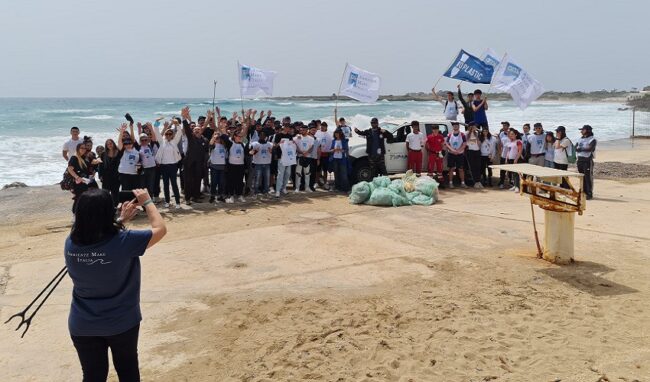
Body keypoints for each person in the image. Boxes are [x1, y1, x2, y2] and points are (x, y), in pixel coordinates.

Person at [65, 188, 166, 382]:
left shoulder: (71, 243)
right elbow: (160, 229)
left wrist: (120, 221)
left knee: (93, 376)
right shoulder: (125, 241)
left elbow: (99, 238)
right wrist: (147, 201)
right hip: (121, 322)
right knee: (128, 372)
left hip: (83, 324)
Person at [181, 107, 209, 204]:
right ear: (193, 131)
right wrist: (184, 118)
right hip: (189, 164)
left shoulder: (204, 140)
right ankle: (188, 199)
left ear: (201, 131)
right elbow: (187, 129)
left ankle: (196, 196)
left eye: (199, 129)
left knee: (197, 181)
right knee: (189, 182)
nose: (197, 130)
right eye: (195, 129)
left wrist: (209, 118)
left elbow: (207, 150)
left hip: (199, 164)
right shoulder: (191, 138)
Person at [153, 120, 182, 209]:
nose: (168, 135)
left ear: (172, 135)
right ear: (165, 135)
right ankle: (167, 201)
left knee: (174, 184)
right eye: (167, 134)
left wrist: (177, 124)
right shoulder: (162, 142)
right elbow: (156, 131)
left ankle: (177, 202)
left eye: (170, 134)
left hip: (173, 166)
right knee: (165, 184)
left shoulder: (175, 141)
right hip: (164, 166)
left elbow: (179, 132)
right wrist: (157, 122)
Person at [67, 143, 96, 213]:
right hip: (78, 183)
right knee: (78, 199)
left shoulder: (84, 157)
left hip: (85, 182)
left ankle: (83, 215)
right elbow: (70, 169)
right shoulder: (74, 157)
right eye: (81, 148)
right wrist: (77, 177)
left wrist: (92, 174)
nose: (83, 149)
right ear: (78, 149)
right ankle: (75, 216)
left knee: (85, 199)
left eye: (84, 148)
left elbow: (87, 168)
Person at [116, 124, 142, 192]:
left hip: (135, 174)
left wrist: (131, 128)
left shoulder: (136, 149)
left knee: (135, 192)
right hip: (124, 174)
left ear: (132, 143)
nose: (128, 145)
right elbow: (119, 142)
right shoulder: (122, 150)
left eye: (129, 143)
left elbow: (132, 139)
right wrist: (121, 132)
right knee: (125, 192)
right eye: (126, 144)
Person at [576, 125, 597, 200]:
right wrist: (582, 149)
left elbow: (590, 149)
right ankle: (583, 192)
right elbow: (576, 147)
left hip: (587, 159)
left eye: (583, 130)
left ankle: (589, 193)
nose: (581, 131)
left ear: (587, 130)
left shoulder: (592, 139)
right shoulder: (580, 139)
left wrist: (581, 149)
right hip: (580, 159)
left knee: (588, 177)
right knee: (582, 176)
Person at [445, 121, 468, 188]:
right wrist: (452, 150)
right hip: (451, 154)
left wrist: (458, 151)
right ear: (452, 127)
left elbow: (464, 144)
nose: (455, 127)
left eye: (457, 126)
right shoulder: (449, 135)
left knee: (461, 169)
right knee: (451, 169)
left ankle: (463, 183)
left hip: (460, 154)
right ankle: (450, 183)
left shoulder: (462, 135)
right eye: (454, 126)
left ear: (459, 126)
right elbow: (447, 144)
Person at [293, 124, 315, 193]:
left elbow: (311, 147)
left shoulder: (311, 138)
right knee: (298, 173)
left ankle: (307, 187)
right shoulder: (297, 137)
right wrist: (301, 152)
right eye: (301, 130)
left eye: (303, 130)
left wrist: (306, 153)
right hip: (300, 157)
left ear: (307, 130)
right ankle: (297, 188)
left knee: (307, 173)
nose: (302, 131)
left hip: (307, 157)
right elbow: (295, 145)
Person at [250, 131, 273, 196]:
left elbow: (273, 153)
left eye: (264, 135)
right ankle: (256, 191)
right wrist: (255, 151)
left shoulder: (270, 144)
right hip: (258, 164)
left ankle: (266, 191)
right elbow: (250, 153)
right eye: (261, 135)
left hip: (267, 163)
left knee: (267, 179)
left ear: (266, 137)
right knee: (257, 178)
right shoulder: (254, 144)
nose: (262, 136)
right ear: (259, 136)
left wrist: (271, 152)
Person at [275, 130, 297, 197]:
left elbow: (292, 146)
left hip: (288, 157)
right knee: (280, 174)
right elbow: (275, 145)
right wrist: (279, 143)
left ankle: (283, 188)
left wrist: (293, 143)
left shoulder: (290, 136)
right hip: (281, 157)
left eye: (288, 126)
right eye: (285, 125)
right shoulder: (278, 135)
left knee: (287, 173)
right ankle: (278, 190)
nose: (286, 128)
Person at [99, 139, 120, 206]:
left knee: (115, 193)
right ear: (106, 145)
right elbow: (100, 165)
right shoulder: (103, 153)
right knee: (105, 193)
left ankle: (115, 208)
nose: (109, 145)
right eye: (108, 144)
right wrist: (100, 176)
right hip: (106, 176)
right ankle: (105, 207)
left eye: (111, 143)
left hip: (116, 176)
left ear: (113, 143)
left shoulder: (118, 152)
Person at [137, 133, 157, 198]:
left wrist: (152, 127)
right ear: (140, 141)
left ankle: (150, 202)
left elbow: (154, 137)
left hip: (152, 168)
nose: (144, 141)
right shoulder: (138, 147)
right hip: (143, 169)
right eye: (142, 140)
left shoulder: (151, 145)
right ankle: (144, 203)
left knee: (150, 186)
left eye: (145, 140)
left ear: (148, 140)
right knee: (142, 186)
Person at [315, 121, 333, 189]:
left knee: (325, 170)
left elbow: (331, 143)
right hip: (319, 154)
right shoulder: (317, 133)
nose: (322, 128)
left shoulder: (329, 134)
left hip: (326, 155)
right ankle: (316, 182)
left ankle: (325, 183)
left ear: (326, 127)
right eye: (321, 127)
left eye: (323, 127)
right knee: (318, 170)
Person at [505, 128, 524, 192]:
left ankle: (517, 187)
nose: (511, 135)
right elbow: (508, 151)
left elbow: (520, 151)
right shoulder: (510, 142)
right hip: (510, 159)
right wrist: (506, 158)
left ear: (516, 134)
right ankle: (515, 185)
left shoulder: (518, 141)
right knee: (513, 173)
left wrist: (516, 159)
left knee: (516, 173)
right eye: (510, 134)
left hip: (516, 159)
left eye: (512, 134)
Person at [465, 122, 482, 188]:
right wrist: (471, 132)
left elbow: (478, 142)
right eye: (474, 126)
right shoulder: (466, 133)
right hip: (470, 151)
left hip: (477, 151)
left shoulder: (477, 133)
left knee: (478, 166)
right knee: (472, 167)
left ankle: (478, 181)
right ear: (471, 126)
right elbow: (466, 142)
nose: (476, 127)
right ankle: (475, 182)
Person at [497, 121, 512, 188]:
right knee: (502, 169)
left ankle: (511, 182)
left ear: (508, 126)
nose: (504, 127)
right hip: (503, 154)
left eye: (505, 125)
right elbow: (500, 143)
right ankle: (501, 182)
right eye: (503, 126)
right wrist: (500, 152)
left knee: (511, 169)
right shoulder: (501, 133)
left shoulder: (512, 133)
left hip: (511, 154)